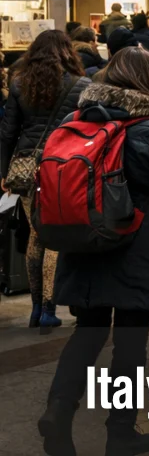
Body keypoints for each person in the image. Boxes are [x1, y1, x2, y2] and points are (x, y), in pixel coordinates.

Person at [37, 47, 149, 456]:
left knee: (89, 332)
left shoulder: (75, 120)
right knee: (131, 341)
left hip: (83, 241)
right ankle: (121, 431)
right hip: (136, 246)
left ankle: (58, 413)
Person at [0, 30, 90, 332]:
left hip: (25, 169)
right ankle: (50, 306)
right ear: (67, 52)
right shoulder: (81, 85)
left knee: (36, 234)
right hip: (63, 166)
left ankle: (36, 307)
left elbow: (7, 132)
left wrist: (4, 172)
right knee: (54, 234)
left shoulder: (18, 83)